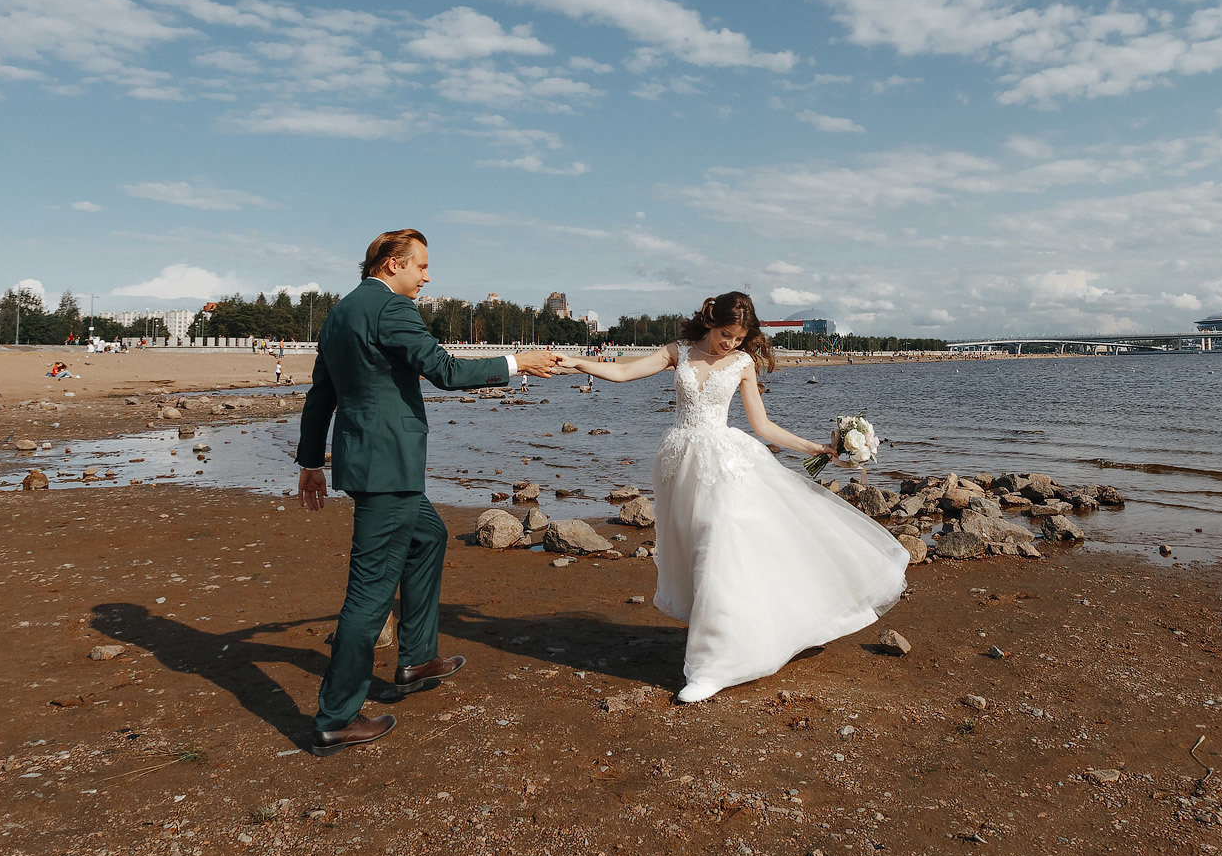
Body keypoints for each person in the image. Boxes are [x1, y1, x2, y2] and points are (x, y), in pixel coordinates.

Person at [557, 291, 908, 703]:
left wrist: (813, 448)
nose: (731, 344)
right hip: (679, 462)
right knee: (692, 550)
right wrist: (579, 363)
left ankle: (710, 667)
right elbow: (623, 371)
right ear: (710, 321)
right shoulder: (679, 352)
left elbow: (762, 425)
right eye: (726, 335)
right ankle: (724, 635)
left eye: (739, 338)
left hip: (724, 464)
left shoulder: (742, 363)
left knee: (718, 546)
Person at [296, 228, 567, 756]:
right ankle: (336, 717)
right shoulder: (391, 309)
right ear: (393, 265)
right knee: (369, 593)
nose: (427, 276)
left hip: (369, 462)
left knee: (430, 538)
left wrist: (310, 460)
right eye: (421, 266)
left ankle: (417, 659)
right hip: (389, 468)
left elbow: (321, 393)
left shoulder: (339, 312)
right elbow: (443, 370)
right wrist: (519, 362)